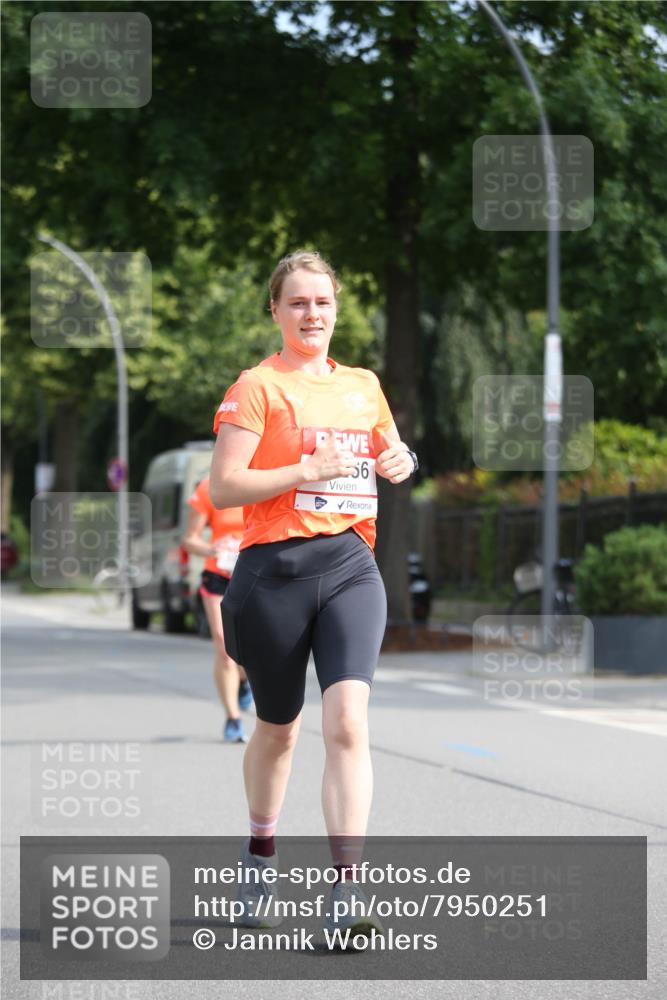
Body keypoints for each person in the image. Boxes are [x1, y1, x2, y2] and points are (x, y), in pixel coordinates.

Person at [209, 250, 418, 936]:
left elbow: (391, 452)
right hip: (273, 574)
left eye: (322, 302)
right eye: (297, 302)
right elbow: (224, 487)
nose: (312, 314)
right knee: (278, 730)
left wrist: (401, 459)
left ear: (336, 310)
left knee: (348, 724)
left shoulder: (362, 384)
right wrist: (303, 468)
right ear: (275, 310)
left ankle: (346, 892)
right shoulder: (258, 386)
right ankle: (261, 848)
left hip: (351, 567)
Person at [182, 477, 253, 743]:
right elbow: (189, 539)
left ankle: (244, 681)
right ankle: (233, 719)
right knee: (224, 646)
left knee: (250, 647)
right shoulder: (208, 487)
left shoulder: (266, 478)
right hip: (218, 575)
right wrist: (213, 548)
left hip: (254, 574)